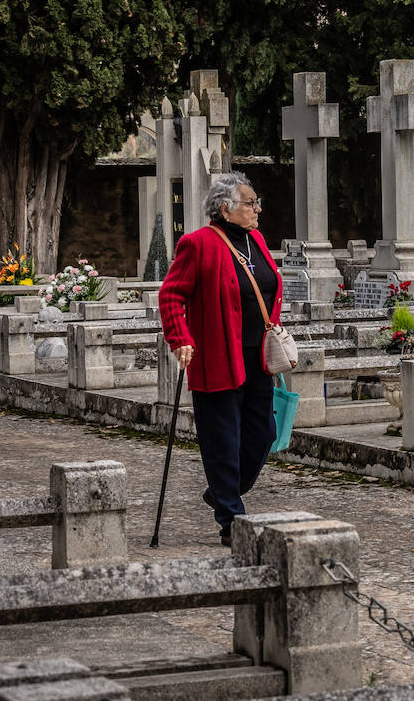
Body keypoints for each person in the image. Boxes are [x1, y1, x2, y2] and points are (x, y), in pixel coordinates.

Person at [159, 172, 280, 546]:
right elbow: (171, 295)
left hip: (258, 359)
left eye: (257, 202)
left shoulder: (256, 241)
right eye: (250, 203)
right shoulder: (198, 244)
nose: (257, 209)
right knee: (223, 441)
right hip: (217, 357)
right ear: (225, 209)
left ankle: (221, 491)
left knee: (263, 434)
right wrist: (180, 338)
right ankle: (231, 520)